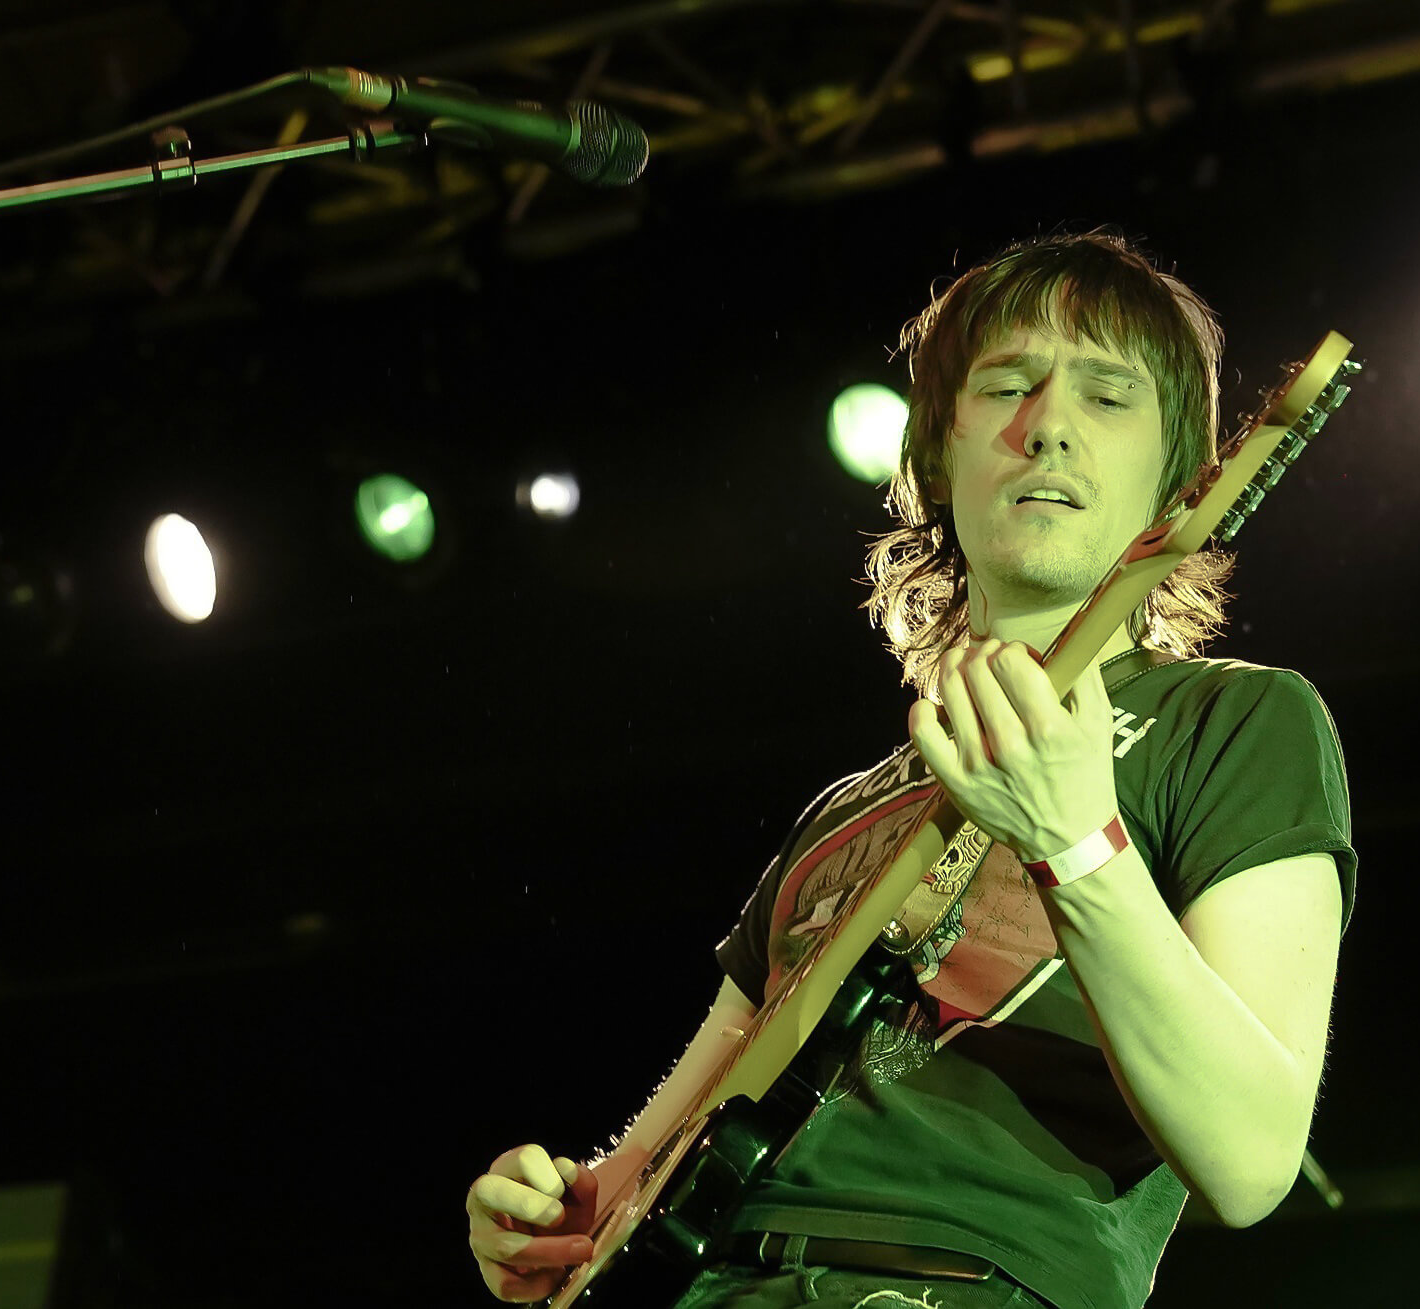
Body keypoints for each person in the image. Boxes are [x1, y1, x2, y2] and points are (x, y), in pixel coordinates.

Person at [465, 228, 1356, 1309]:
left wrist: (1074, 842)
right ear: (937, 454)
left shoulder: (1235, 721)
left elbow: (1251, 1161)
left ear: (1178, 479)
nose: (1048, 427)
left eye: (1107, 396)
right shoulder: (843, 814)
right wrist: (573, 1212)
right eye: (1008, 387)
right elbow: (669, 1144)